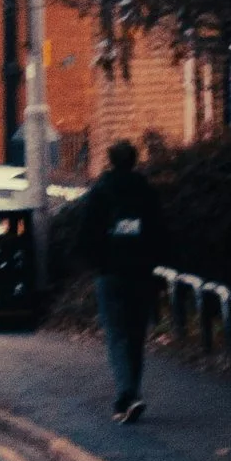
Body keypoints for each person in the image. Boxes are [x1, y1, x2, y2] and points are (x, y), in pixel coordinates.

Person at [68, 138, 166, 423]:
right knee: (136, 336)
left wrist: (93, 263)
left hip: (111, 273)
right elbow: (160, 232)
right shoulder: (146, 191)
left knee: (116, 335)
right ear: (134, 161)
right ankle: (133, 393)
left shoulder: (101, 191)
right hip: (141, 273)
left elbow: (86, 233)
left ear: (110, 161)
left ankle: (128, 394)